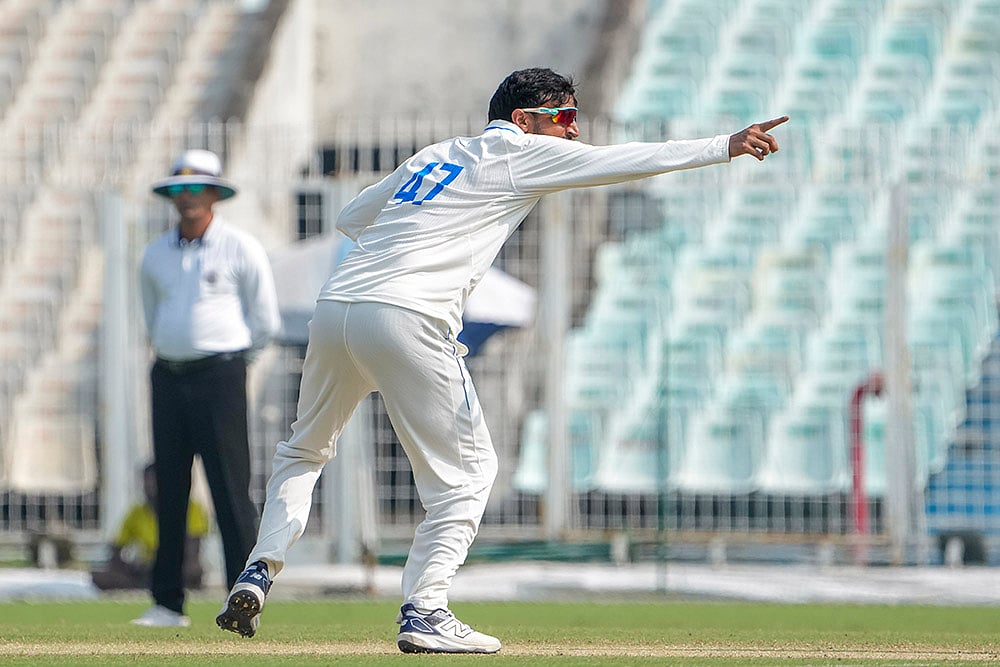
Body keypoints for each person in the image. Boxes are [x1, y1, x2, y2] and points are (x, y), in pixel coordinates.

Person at [216, 68, 788, 652]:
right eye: (564, 118)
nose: (572, 132)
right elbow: (622, 160)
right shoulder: (519, 153)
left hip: (336, 307)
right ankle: (426, 609)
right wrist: (726, 145)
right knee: (471, 474)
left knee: (304, 448)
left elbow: (351, 218)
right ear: (524, 119)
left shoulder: (436, 154)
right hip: (408, 315)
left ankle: (259, 569)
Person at [134, 149, 281, 628]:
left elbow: (264, 321)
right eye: (180, 190)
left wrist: (232, 363)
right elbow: (153, 317)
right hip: (169, 377)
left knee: (230, 488)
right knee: (170, 489)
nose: (188, 198)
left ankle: (244, 597)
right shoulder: (155, 253)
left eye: (197, 189)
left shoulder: (240, 246)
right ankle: (166, 603)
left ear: (214, 194)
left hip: (221, 376)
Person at [91, 463, 209, 592]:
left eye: (155, 483)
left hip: (178, 567)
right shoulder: (137, 511)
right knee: (99, 576)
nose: (150, 488)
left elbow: (192, 550)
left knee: (192, 569)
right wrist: (125, 565)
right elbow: (116, 547)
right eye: (146, 483)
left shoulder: (192, 508)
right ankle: (150, 586)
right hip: (146, 570)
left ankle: (153, 587)